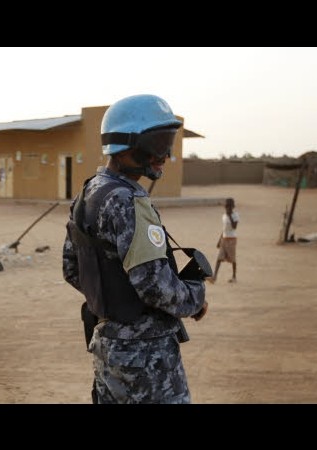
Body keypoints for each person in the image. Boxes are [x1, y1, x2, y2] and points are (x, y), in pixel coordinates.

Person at [62, 94, 208, 404]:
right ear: (123, 142)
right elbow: (156, 288)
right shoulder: (129, 200)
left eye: (168, 142)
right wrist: (195, 298)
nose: (164, 154)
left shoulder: (89, 193)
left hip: (108, 347)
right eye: (157, 144)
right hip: (146, 358)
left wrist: (113, 300)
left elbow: (72, 269)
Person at [212, 197, 239, 283]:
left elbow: (234, 227)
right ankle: (214, 277)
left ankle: (234, 277)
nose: (228, 208)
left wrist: (230, 216)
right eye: (226, 206)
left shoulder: (235, 215)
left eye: (229, 207)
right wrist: (219, 240)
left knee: (233, 259)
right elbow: (224, 229)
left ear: (233, 207)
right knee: (219, 258)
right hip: (224, 239)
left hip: (232, 240)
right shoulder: (224, 216)